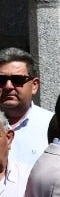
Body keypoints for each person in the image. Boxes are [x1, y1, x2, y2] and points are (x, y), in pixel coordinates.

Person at [0, 47, 51, 175]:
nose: (8, 86)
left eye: (18, 80)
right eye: (1, 80)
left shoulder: (52, 125)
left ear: (34, 85)